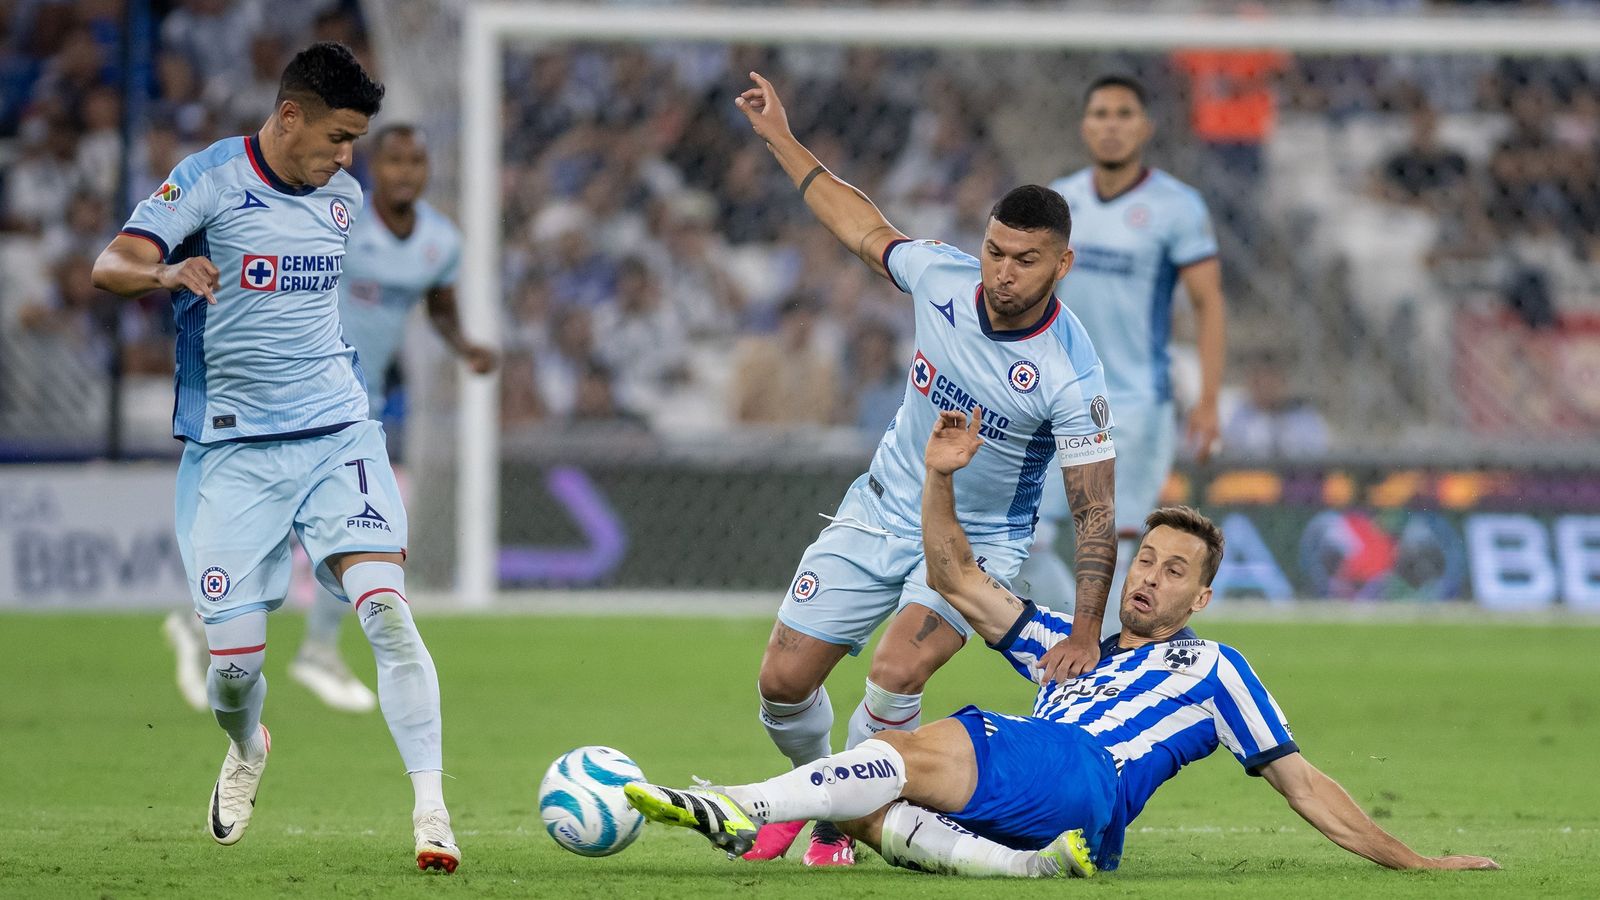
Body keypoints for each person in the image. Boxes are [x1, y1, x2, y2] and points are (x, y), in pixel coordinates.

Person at [624, 409, 1501, 879]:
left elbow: (1300, 781)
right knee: (868, 807)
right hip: (1058, 806)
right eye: (1145, 559)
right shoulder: (1061, 643)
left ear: (1201, 597)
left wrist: (1413, 860)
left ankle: (739, 804)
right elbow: (956, 576)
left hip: (1086, 769)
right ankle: (1023, 867)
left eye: (1175, 571)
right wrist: (938, 478)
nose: (1150, 578)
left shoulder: (1213, 668)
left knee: (901, 750)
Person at [731, 72, 1118, 866]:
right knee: (782, 683)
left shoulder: (1070, 374)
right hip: (879, 507)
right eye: (995, 251)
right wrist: (781, 139)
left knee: (899, 665)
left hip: (974, 548)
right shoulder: (941, 277)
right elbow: (861, 224)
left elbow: (1095, 512)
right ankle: (819, 791)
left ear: (1062, 264)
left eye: (1026, 260)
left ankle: (834, 822)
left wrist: (1085, 631)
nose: (1002, 272)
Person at [91, 42, 460, 873]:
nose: (347, 159)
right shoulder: (210, 180)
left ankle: (432, 811)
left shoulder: (343, 198)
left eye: (356, 142)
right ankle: (248, 744)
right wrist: (168, 276)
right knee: (233, 674)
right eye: (338, 138)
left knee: (387, 612)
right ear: (290, 116)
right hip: (233, 451)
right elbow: (110, 265)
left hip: (337, 433)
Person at [1019, 75, 1227, 634]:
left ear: (1145, 127)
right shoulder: (1060, 201)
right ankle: (1078, 642)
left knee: (1121, 555)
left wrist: (1208, 401)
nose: (1111, 125)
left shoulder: (1177, 207)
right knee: (1021, 542)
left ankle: (1105, 665)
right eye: (1101, 114)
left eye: (1123, 114)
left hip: (1136, 405)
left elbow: (1208, 302)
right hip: (1060, 399)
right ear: (1084, 126)